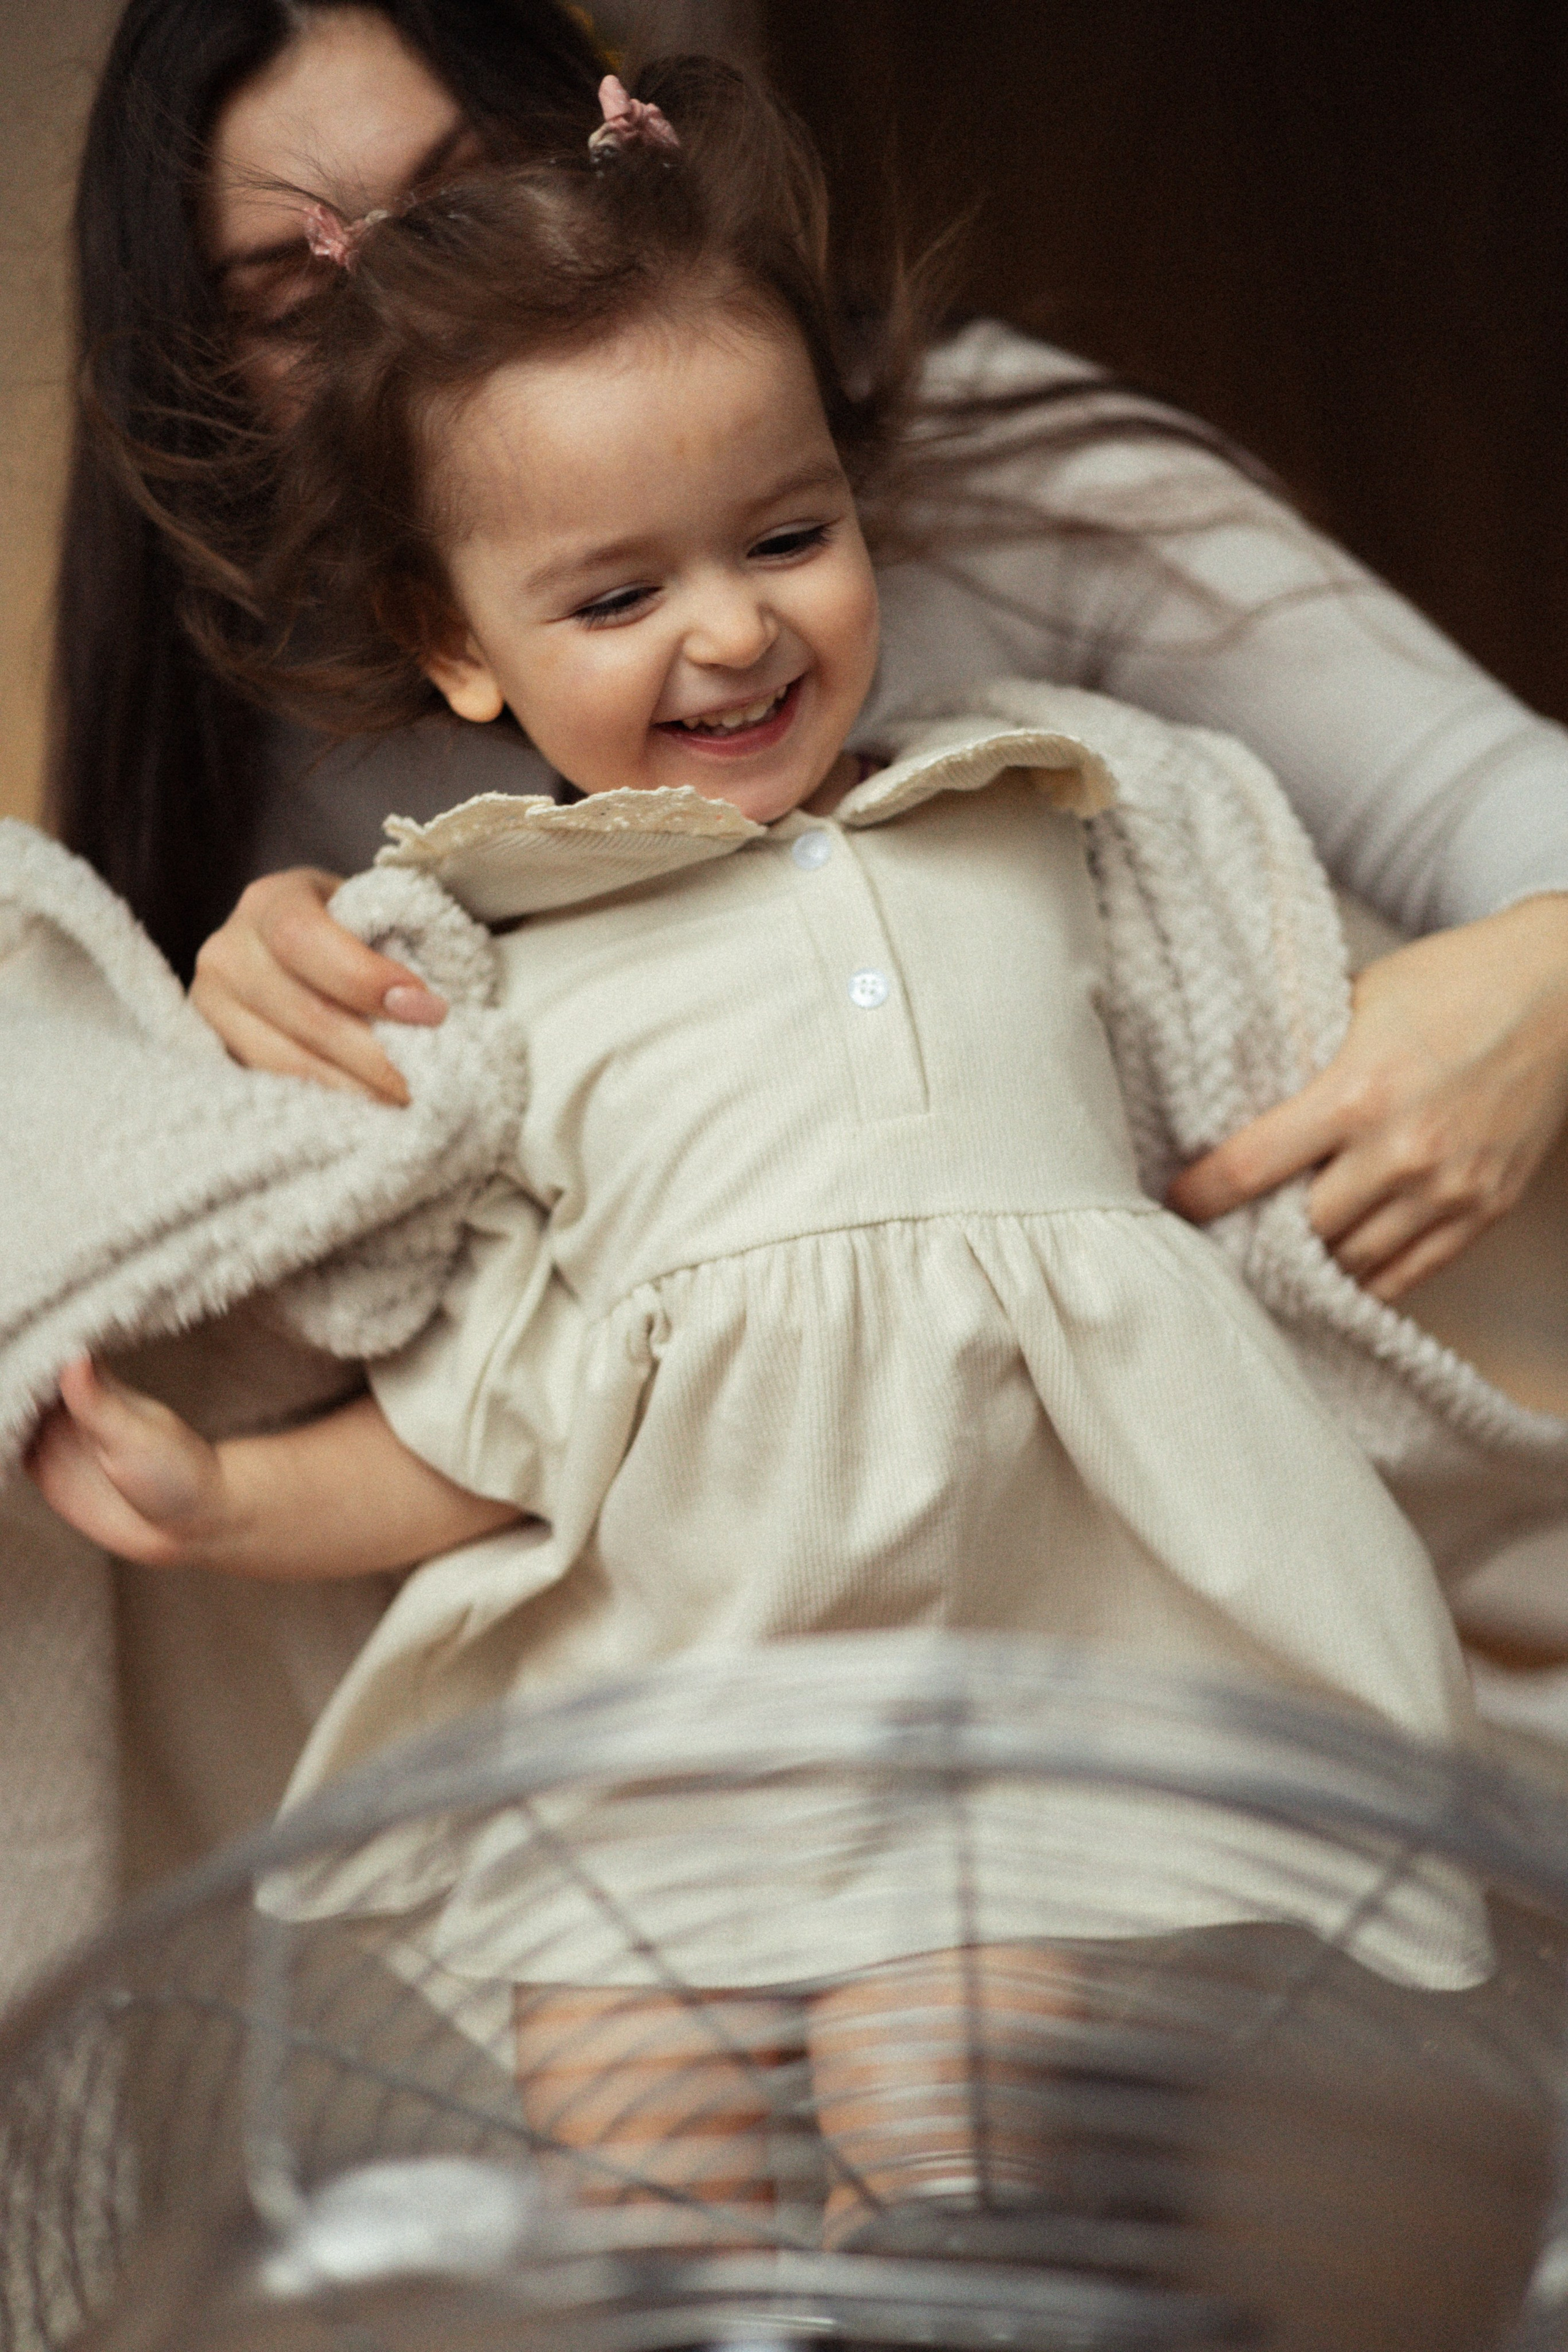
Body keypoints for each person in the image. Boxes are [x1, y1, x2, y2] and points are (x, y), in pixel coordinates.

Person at [28, 61, 1500, 2277]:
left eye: (787, 540)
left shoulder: (1054, 812)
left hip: (1000, 1727)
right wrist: (224, 1497)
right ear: (456, 645)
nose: (729, 630)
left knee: (953, 2153)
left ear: (857, 495)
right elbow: (500, 1420)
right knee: (641, 2201)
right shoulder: (488, 975)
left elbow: (1270, 1055)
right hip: (647, 1758)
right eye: (616, 594)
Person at [53, 0, 1568, 1318]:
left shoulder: (1012, 483)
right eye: (310, 296)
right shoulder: (281, 764)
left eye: (472, 195)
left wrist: (1534, 980)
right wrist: (226, 1039)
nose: (729, 637)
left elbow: (1488, 797)